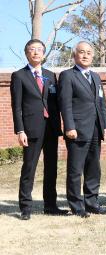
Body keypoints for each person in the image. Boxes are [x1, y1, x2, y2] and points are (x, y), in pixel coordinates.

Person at [10, 39, 67, 220]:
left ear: (44, 53)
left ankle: (50, 205)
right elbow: (16, 106)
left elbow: (56, 103)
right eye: (32, 50)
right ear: (27, 53)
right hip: (31, 129)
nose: (36, 52)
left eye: (39, 50)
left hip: (51, 128)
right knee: (29, 168)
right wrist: (20, 131)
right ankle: (25, 208)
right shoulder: (19, 76)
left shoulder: (51, 75)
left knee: (51, 168)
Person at [58, 41, 106, 218]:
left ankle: (92, 203)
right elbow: (65, 104)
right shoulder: (67, 75)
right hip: (77, 130)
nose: (85, 55)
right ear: (75, 55)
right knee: (75, 169)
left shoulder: (95, 77)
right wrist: (69, 126)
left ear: (93, 56)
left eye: (89, 52)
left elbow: (101, 103)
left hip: (96, 130)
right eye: (81, 52)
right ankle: (76, 206)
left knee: (93, 168)